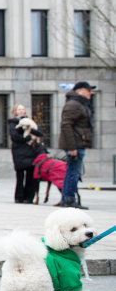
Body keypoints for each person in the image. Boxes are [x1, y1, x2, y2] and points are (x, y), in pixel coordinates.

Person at [58, 81, 95, 209]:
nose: (91, 93)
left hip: (79, 142)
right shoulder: (74, 104)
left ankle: (66, 198)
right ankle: (68, 199)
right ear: (80, 90)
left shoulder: (79, 104)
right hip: (75, 144)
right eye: (88, 90)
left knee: (72, 171)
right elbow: (66, 125)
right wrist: (72, 147)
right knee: (73, 172)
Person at [8, 104, 42, 204]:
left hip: (30, 151)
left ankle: (29, 197)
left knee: (30, 175)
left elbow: (39, 132)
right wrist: (29, 137)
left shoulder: (30, 122)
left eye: (23, 109)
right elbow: (15, 137)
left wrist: (32, 132)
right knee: (20, 176)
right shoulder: (13, 123)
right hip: (19, 152)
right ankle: (19, 197)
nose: (21, 111)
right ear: (15, 111)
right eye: (19, 109)